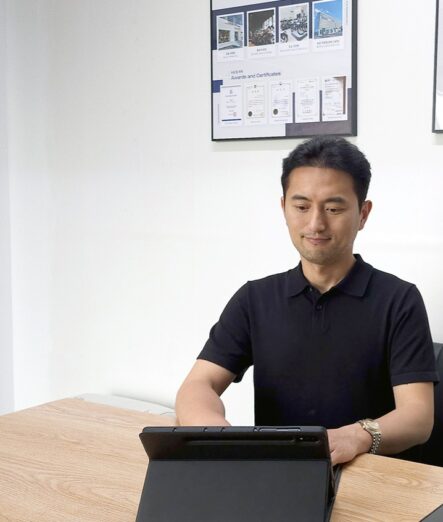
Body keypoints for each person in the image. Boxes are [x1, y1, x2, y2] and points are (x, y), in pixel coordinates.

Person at [175, 136, 438, 465]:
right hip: (278, 475)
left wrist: (357, 435)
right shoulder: (254, 299)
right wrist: (214, 430)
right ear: (283, 208)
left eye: (333, 208)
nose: (316, 224)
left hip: (368, 475)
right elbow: (199, 384)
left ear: (363, 213)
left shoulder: (398, 300)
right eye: (301, 207)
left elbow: (418, 417)